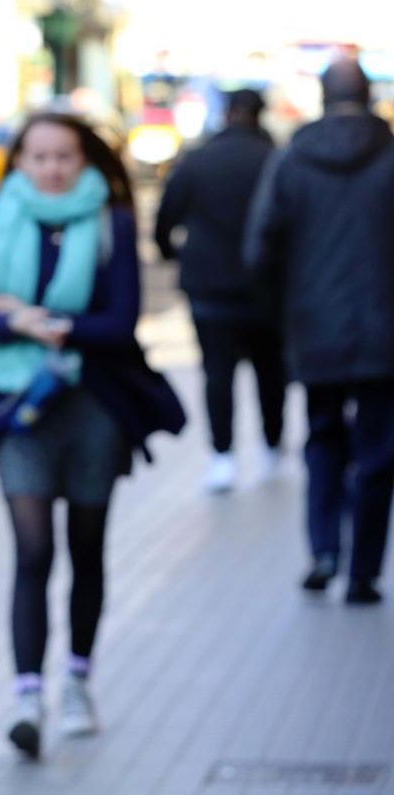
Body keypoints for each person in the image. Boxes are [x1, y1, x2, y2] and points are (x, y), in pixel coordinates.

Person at [0, 113, 183, 759]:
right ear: (21, 162)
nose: (53, 167)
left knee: (86, 548)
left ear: (85, 161)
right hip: (22, 406)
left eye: (65, 156)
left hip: (94, 406)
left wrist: (39, 321)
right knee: (33, 553)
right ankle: (27, 696)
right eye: (40, 156)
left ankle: (79, 680)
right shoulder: (0, 216)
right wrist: (26, 324)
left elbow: (121, 322)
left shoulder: (111, 221)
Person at [244, 58, 394, 605]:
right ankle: (364, 572)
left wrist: (284, 313)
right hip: (384, 336)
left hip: (315, 330)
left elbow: (260, 250)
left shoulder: (292, 160)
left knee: (324, 437)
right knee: (379, 451)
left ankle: (324, 551)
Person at [155, 89, 286, 493]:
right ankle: (272, 447)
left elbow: (165, 218)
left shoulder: (199, 160)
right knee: (270, 371)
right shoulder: (275, 160)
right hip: (266, 288)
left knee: (217, 373)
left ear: (227, 114)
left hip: (209, 287)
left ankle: (222, 456)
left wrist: (174, 254)